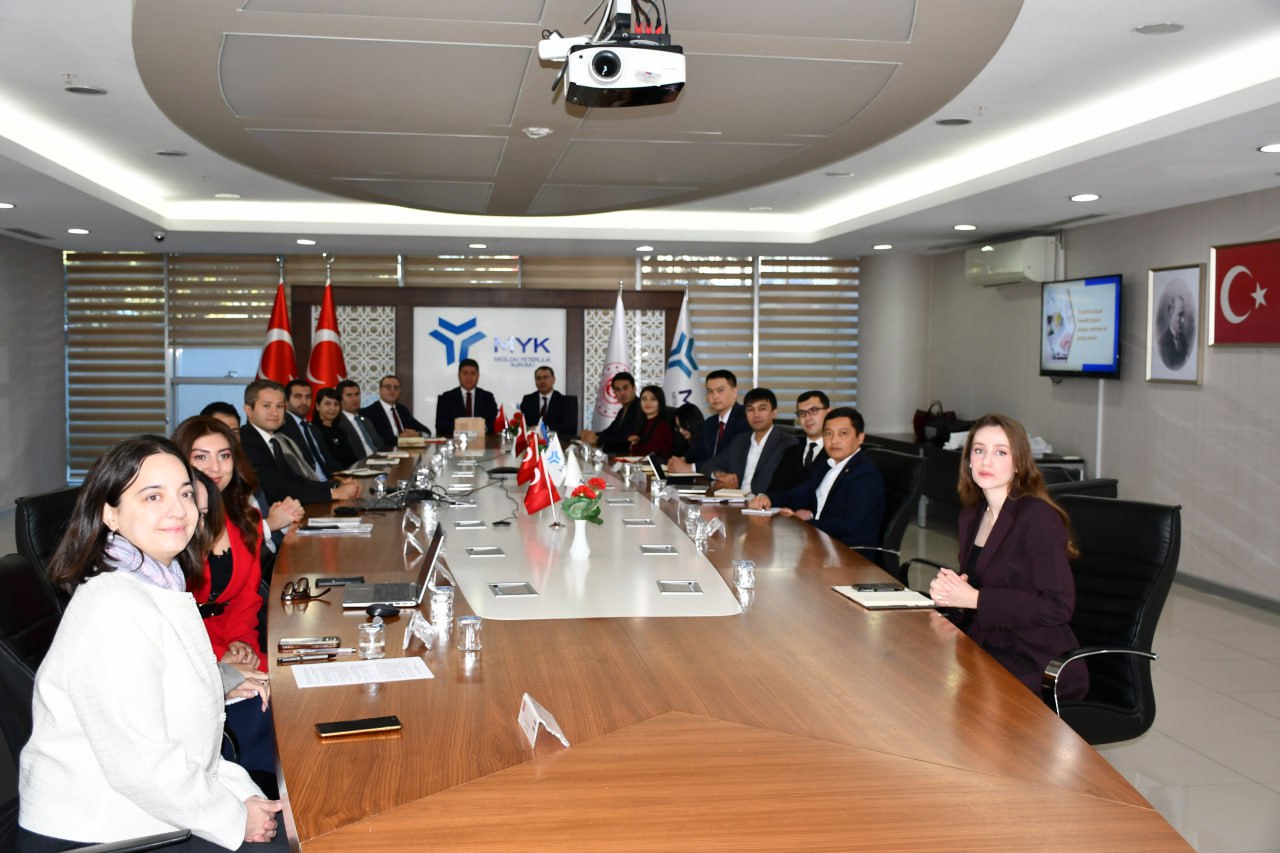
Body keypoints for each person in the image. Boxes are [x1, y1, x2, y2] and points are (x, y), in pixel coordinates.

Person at [19, 436, 283, 850]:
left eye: (184, 493)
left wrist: (246, 797)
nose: (178, 509)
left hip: (156, 809)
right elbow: (140, 765)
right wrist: (235, 816)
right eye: (153, 496)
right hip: (101, 832)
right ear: (110, 513)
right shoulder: (114, 606)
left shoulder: (160, 585)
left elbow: (193, 743)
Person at [927, 414, 1088, 701]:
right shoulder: (972, 517)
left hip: (1034, 659)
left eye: (1000, 452)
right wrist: (951, 596)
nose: (986, 461)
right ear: (968, 460)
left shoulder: (1037, 517)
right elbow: (981, 592)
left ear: (1018, 464)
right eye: (979, 450)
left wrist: (975, 599)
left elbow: (1058, 606)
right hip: (988, 645)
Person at [752, 407, 884, 556]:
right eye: (828, 433)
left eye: (843, 434)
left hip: (848, 553)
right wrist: (768, 498)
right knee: (762, 547)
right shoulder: (826, 464)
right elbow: (800, 494)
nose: (834, 440)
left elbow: (848, 525)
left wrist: (801, 523)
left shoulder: (864, 474)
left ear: (860, 438)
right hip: (819, 542)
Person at [239, 379, 360, 506]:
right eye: (267, 406)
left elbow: (294, 480)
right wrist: (334, 493)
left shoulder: (273, 440)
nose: (274, 413)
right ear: (249, 410)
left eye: (279, 406)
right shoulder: (246, 441)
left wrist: (335, 485)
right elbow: (277, 489)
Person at [696, 388, 796, 493]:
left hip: (765, 501)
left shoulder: (788, 444)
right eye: (750, 409)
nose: (756, 415)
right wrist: (719, 474)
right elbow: (708, 465)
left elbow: (790, 485)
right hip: (735, 499)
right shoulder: (740, 441)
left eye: (762, 409)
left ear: (774, 413)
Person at [666, 370, 748, 471]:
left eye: (720, 390)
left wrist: (690, 468)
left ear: (735, 392)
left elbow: (728, 457)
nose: (715, 396)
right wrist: (681, 460)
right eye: (710, 391)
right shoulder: (711, 422)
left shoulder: (745, 419)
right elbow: (698, 451)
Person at [280, 379, 338, 478]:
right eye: (298, 396)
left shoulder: (313, 429)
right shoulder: (281, 427)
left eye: (308, 397)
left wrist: (344, 476)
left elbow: (329, 460)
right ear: (286, 400)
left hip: (329, 480)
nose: (304, 402)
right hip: (306, 483)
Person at [774, 390, 831, 490]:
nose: (807, 418)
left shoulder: (837, 451)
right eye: (801, 413)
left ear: (828, 413)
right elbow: (776, 489)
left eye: (813, 410)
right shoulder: (790, 452)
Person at [580, 371, 643, 455]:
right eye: (618, 389)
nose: (622, 393)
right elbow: (609, 432)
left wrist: (597, 439)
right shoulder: (622, 411)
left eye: (625, 388)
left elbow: (626, 437)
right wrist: (590, 434)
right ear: (614, 392)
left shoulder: (640, 407)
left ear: (634, 388)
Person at [361, 374, 431, 447]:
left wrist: (418, 434)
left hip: (407, 452)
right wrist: (400, 439)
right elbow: (379, 441)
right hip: (385, 453)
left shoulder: (402, 410)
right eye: (388, 387)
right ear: (380, 390)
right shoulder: (369, 413)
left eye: (396, 388)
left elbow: (427, 431)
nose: (392, 390)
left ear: (400, 391)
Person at [435, 359, 498, 437]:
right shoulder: (446, 398)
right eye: (465, 373)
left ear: (478, 376)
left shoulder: (488, 398)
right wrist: (464, 427)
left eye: (473, 373)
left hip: (482, 442)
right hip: (455, 442)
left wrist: (482, 428)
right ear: (459, 376)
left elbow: (494, 424)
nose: (469, 377)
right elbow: (440, 426)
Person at [518, 365, 578, 439]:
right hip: (532, 441)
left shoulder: (565, 401)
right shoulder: (528, 400)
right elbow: (523, 424)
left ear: (553, 379)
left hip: (557, 442)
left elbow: (570, 428)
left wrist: (544, 428)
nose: (542, 381)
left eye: (545, 377)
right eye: (538, 378)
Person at [336, 379, 388, 457]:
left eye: (357, 394)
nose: (354, 399)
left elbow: (380, 445)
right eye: (349, 395)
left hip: (379, 459)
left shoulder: (365, 420)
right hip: (360, 462)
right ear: (340, 399)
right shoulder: (338, 423)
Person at [311, 385, 358, 469]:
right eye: (327, 404)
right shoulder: (313, 430)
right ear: (318, 406)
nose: (332, 408)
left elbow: (352, 459)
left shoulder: (341, 431)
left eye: (336, 404)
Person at [628, 385, 674, 458]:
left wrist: (633, 447)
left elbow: (651, 451)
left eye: (653, 399)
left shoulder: (662, 426)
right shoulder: (643, 423)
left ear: (660, 402)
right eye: (644, 399)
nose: (648, 402)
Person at [1157, 291, 1192, 370]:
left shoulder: (1184, 340)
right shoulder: (1162, 343)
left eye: (1183, 315)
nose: (1183, 320)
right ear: (1170, 313)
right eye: (1180, 315)